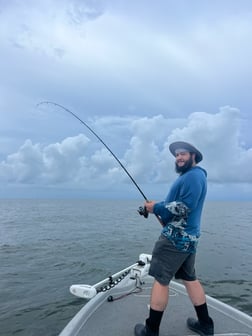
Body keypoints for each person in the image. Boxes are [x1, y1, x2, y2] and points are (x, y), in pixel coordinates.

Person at [135, 141, 214, 336]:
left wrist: (158, 208)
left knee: (161, 281)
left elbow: (185, 207)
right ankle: (205, 324)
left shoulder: (193, 176)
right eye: (176, 155)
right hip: (188, 239)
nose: (178, 158)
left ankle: (150, 331)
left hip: (174, 240)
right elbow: (177, 204)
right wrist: (152, 207)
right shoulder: (193, 176)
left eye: (183, 154)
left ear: (193, 155)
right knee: (189, 278)